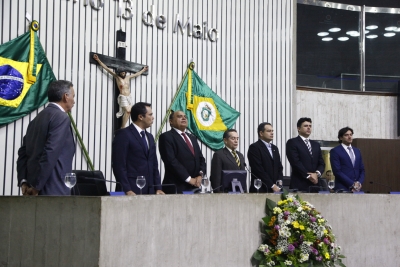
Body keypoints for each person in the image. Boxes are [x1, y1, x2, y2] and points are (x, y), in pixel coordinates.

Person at [16, 80, 76, 196]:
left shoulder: (35, 120)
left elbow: (23, 153)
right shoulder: (61, 118)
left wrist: (24, 182)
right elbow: (50, 152)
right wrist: (36, 186)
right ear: (66, 97)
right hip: (53, 190)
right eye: (73, 96)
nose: (74, 101)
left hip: (31, 190)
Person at [112, 102, 164, 195]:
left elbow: (154, 164)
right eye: (150, 114)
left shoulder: (150, 137)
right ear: (141, 117)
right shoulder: (124, 134)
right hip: (131, 189)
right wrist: (126, 189)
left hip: (150, 190)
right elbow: (119, 165)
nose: (153, 117)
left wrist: (158, 187)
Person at [93, 54, 148, 129]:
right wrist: (98, 60)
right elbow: (107, 68)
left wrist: (143, 70)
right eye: (122, 73)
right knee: (128, 110)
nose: (123, 74)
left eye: (124, 72)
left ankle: (123, 127)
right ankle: (123, 127)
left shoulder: (128, 77)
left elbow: (136, 74)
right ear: (119, 72)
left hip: (129, 97)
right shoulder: (117, 77)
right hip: (123, 96)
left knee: (128, 112)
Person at [158, 110, 206, 194]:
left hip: (195, 186)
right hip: (176, 187)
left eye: (185, 117)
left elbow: (201, 158)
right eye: (179, 116)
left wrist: (200, 175)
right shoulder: (166, 137)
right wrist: (189, 179)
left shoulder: (192, 137)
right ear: (171, 121)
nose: (184, 118)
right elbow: (171, 161)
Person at [286, 117, 325, 192]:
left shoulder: (316, 144)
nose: (308, 128)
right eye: (305, 126)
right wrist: (309, 176)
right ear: (299, 128)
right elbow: (295, 162)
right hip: (300, 183)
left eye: (310, 126)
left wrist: (317, 174)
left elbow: (321, 163)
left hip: (315, 184)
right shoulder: (292, 142)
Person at [247, 123, 283, 193]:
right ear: (261, 133)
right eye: (269, 131)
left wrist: (279, 184)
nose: (272, 133)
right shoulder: (254, 147)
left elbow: (279, 167)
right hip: (261, 189)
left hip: (276, 190)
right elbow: (258, 169)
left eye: (272, 131)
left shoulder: (275, 148)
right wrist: (272, 185)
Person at [329, 127, 365, 192]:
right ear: (340, 138)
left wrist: (359, 183)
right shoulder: (335, 151)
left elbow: (362, 169)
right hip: (343, 188)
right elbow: (337, 171)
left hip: (357, 189)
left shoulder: (357, 151)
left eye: (351, 135)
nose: (349, 137)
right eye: (346, 135)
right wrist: (352, 184)